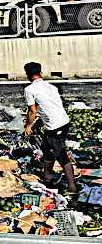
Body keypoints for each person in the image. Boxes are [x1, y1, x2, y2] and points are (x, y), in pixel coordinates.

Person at [23, 61, 77, 195]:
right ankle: (47, 176)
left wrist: (28, 125)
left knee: (61, 155)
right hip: (64, 122)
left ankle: (72, 187)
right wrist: (40, 123)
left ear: (28, 75)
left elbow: (32, 111)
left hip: (55, 126)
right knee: (46, 147)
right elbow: (48, 106)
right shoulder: (51, 86)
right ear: (40, 73)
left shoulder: (29, 90)